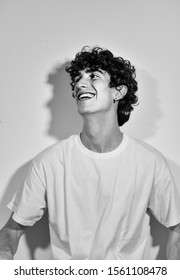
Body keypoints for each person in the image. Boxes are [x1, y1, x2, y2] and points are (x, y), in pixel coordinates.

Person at [0, 46, 180, 260]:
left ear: (118, 92)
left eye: (93, 76)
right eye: (77, 79)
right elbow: (11, 231)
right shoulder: (49, 162)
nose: (79, 84)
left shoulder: (150, 162)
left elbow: (176, 228)